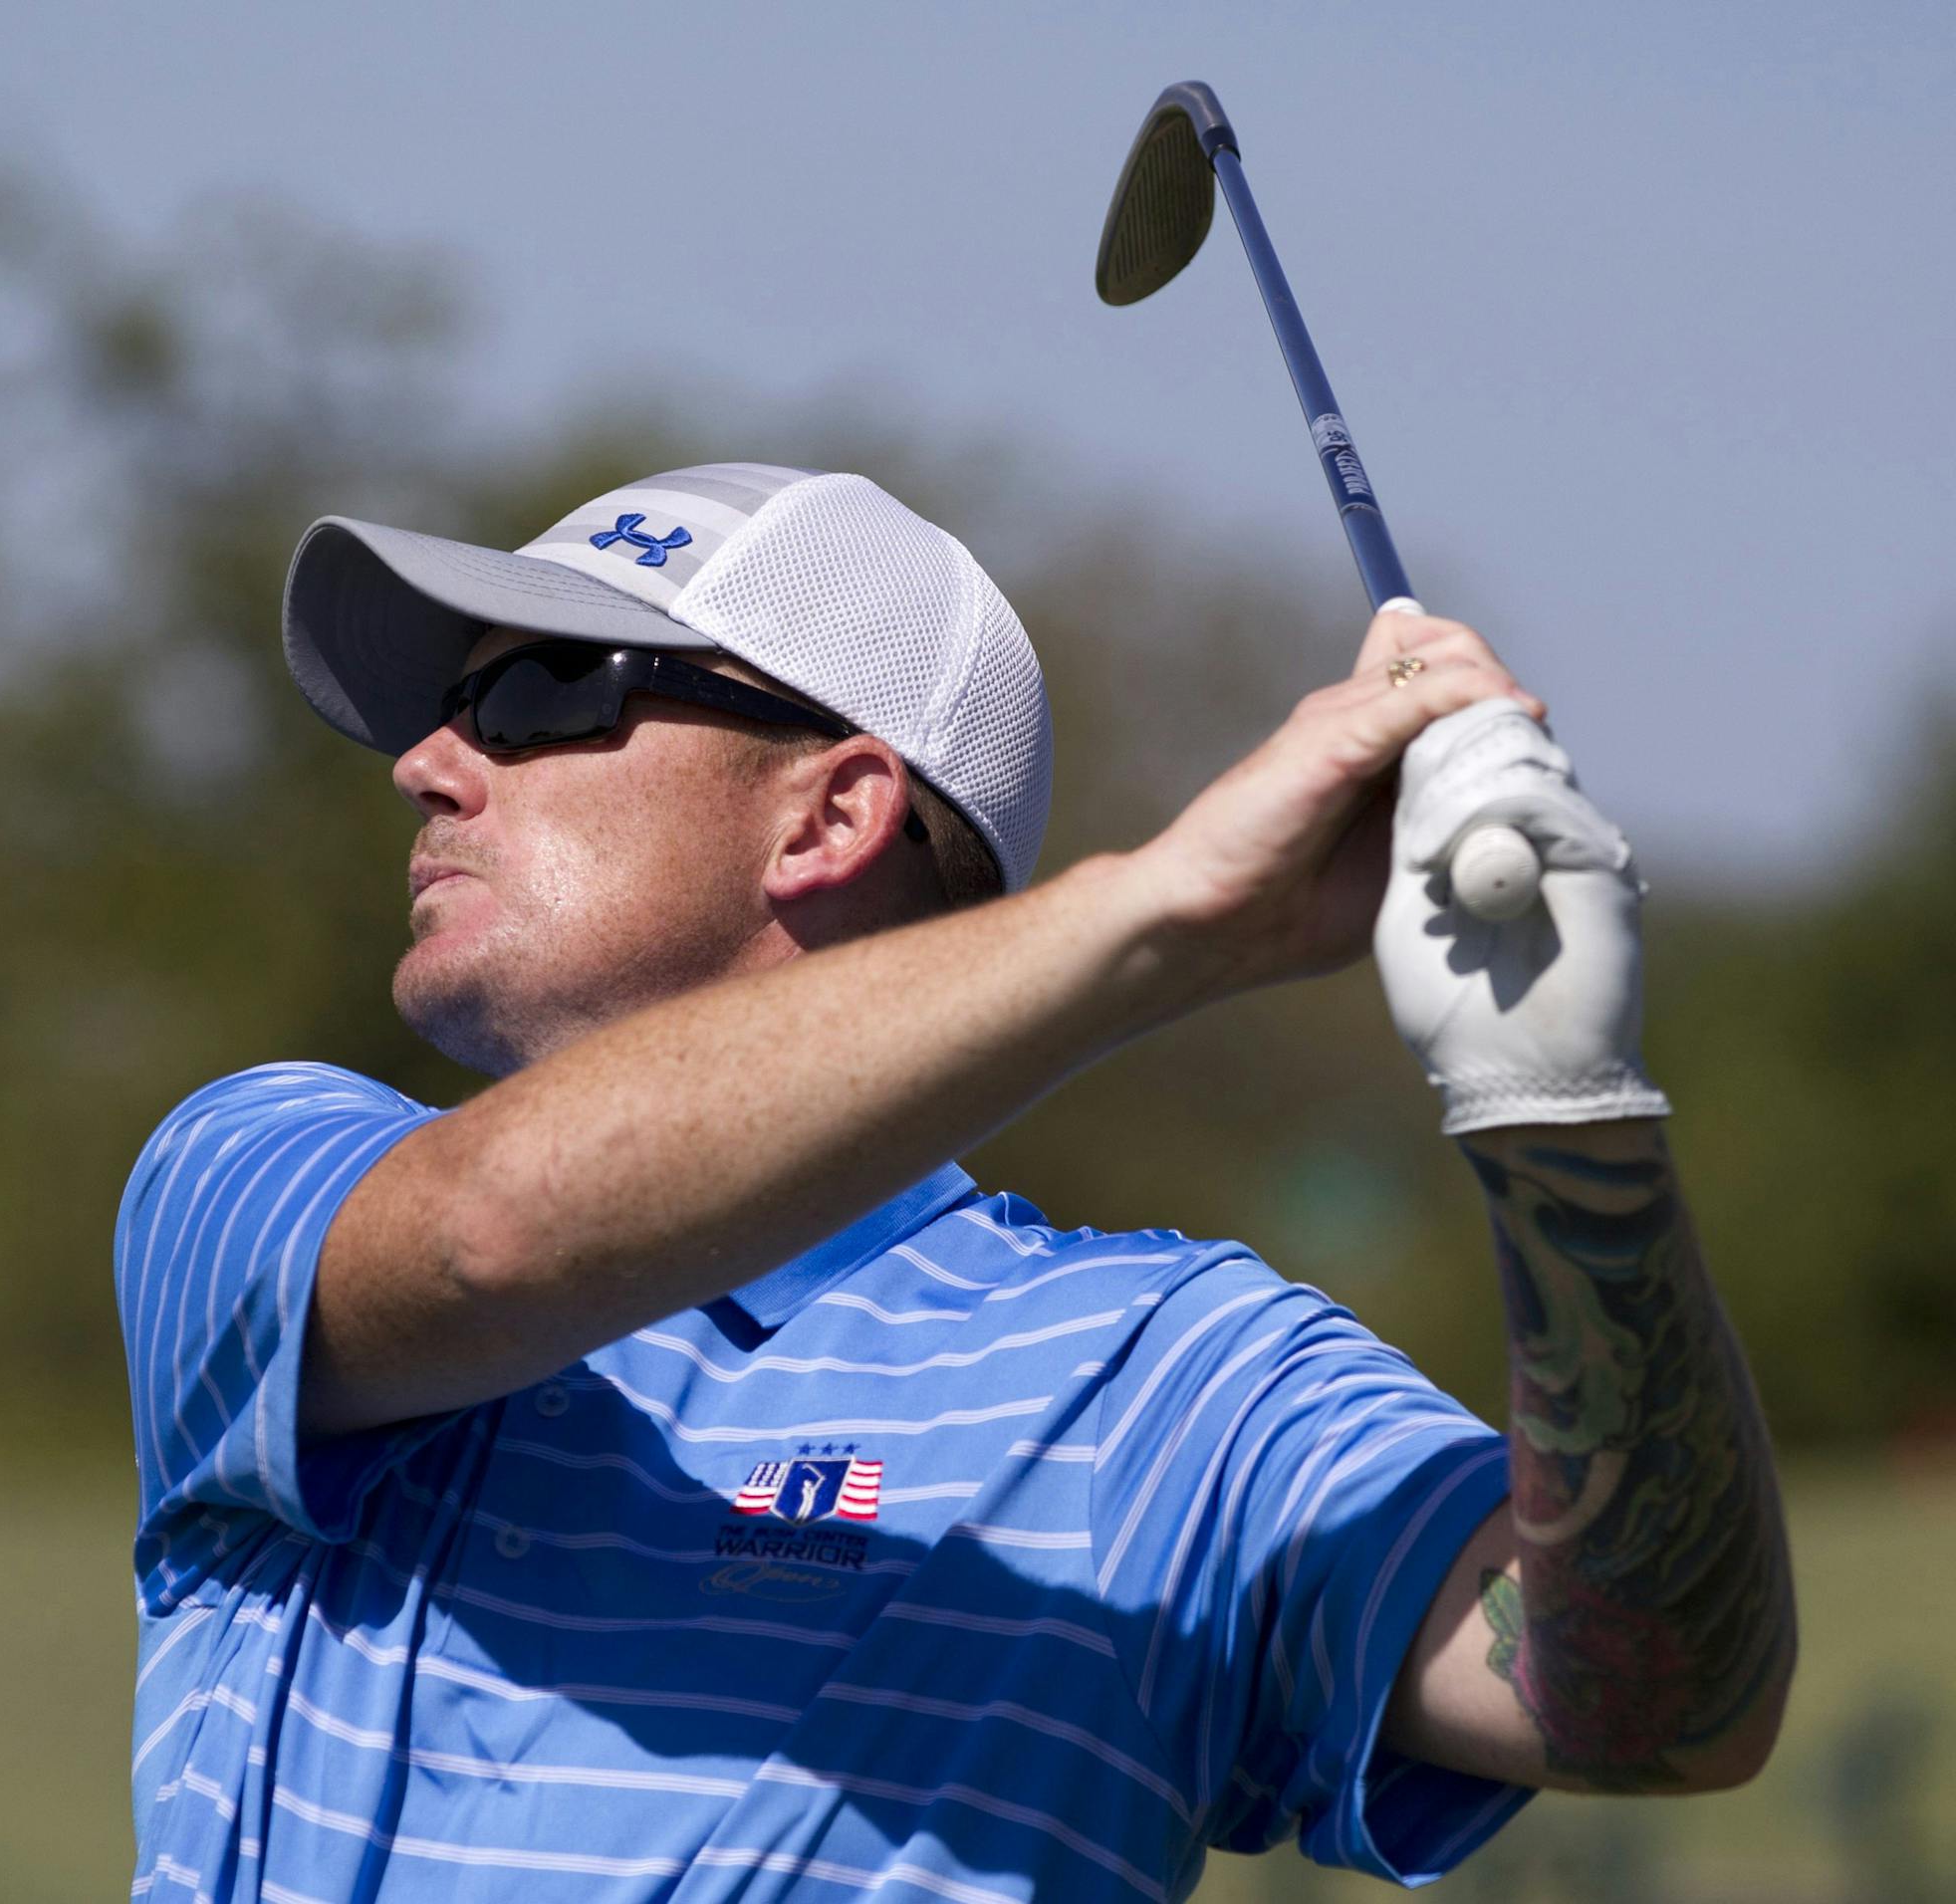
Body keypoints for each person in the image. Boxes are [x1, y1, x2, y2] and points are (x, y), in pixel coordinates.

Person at [116, 463, 1795, 1902]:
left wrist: (1568, 1129)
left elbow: (1660, 1701)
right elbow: (490, 1234)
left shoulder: (1169, 1381)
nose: (427, 761)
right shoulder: (256, 1166)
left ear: (830, 815)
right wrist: (1175, 919)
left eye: (540, 697)